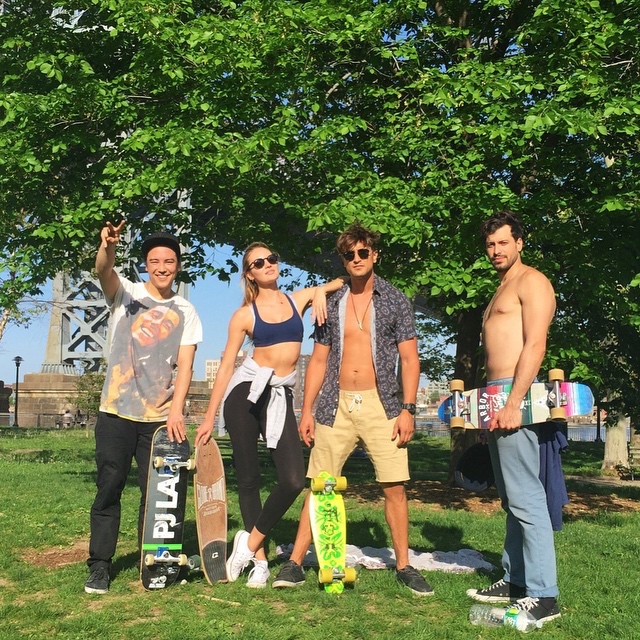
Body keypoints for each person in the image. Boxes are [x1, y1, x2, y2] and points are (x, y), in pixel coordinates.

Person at [272, 223, 433, 596]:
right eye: (349, 254)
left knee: (394, 485)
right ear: (343, 260)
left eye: (363, 252)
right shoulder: (331, 301)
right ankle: (295, 562)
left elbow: (410, 359)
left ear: (375, 255)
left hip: (383, 404)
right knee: (320, 485)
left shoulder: (395, 300)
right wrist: (307, 410)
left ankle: (404, 565)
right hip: (335, 403)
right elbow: (318, 360)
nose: (357, 259)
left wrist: (408, 409)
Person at [195, 243, 347, 589]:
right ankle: (260, 563)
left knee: (293, 480)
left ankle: (247, 545)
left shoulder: (297, 299)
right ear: (249, 274)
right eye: (258, 263)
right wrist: (208, 417)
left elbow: (341, 281)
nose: (267, 265)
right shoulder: (244, 315)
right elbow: (226, 365)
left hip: (280, 394)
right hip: (245, 394)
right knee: (249, 479)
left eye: (272, 259)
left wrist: (320, 291)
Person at [85, 221, 202, 595]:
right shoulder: (127, 294)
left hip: (158, 419)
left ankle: (151, 561)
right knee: (109, 488)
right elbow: (103, 270)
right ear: (146, 265)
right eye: (155, 261)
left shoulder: (186, 311)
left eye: (169, 261)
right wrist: (108, 248)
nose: (162, 267)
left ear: (177, 266)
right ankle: (99, 566)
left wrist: (176, 411)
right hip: (116, 412)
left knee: (157, 497)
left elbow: (186, 366)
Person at [466, 211, 561, 625]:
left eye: (503, 242)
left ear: (519, 242)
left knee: (527, 497)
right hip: (495, 398)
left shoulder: (532, 281)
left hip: (513, 396)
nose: (496, 250)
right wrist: (486, 408)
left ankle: (544, 595)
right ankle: (516, 579)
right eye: (490, 244)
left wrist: (513, 403)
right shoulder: (500, 288)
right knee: (511, 497)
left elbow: (535, 344)